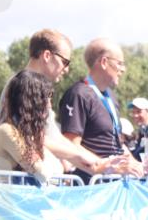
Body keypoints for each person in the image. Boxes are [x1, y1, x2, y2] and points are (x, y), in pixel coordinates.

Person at [0, 29, 113, 176]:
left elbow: (54, 138)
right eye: (65, 62)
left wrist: (99, 164)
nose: (66, 69)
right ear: (47, 55)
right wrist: (92, 162)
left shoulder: (36, 88)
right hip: (23, 183)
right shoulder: (22, 87)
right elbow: (34, 139)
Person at [58, 38, 143, 182]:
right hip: (91, 184)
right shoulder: (78, 94)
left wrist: (137, 165)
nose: (123, 69)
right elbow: (70, 145)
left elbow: (117, 142)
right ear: (104, 62)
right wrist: (106, 167)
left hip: (113, 182)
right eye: (120, 63)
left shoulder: (111, 96)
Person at [0, 70, 65, 185]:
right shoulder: (6, 131)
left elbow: (56, 171)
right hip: (13, 201)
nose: (49, 105)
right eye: (46, 98)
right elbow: (43, 172)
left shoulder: (27, 135)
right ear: (33, 102)